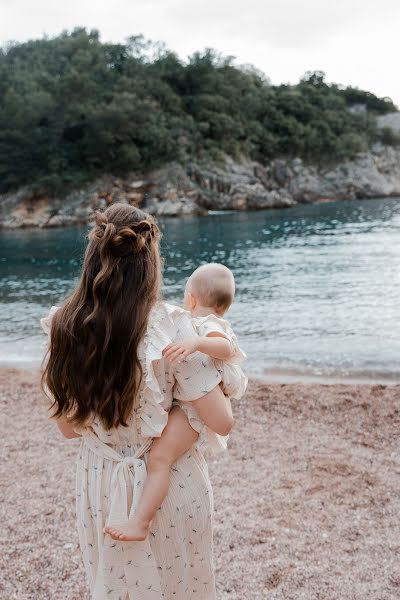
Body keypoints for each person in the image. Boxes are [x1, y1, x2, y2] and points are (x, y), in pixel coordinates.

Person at [40, 203, 234, 600]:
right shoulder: (173, 325)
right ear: (151, 264)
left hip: (102, 484)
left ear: (94, 258)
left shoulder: (64, 326)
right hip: (170, 484)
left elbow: (68, 428)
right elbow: (221, 421)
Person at [105, 263, 247, 543]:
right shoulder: (201, 324)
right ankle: (141, 519)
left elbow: (227, 348)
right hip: (190, 405)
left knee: (160, 458)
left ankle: (141, 522)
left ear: (192, 299)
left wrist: (196, 343)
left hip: (192, 411)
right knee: (160, 457)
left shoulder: (210, 325)